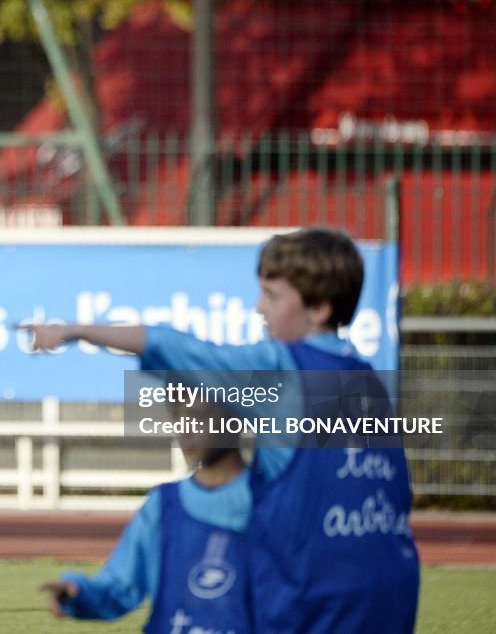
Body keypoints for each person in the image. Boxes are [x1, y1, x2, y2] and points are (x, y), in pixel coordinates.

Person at [27, 227, 420, 634]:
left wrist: (75, 331)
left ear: (319, 307)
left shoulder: (281, 367)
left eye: (271, 295)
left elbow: (179, 348)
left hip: (314, 600)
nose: (259, 308)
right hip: (392, 590)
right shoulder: (367, 379)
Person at [41, 401, 251, 634]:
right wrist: (79, 592)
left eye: (197, 415)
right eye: (176, 414)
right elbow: (121, 585)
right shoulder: (164, 505)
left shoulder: (276, 504)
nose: (184, 427)